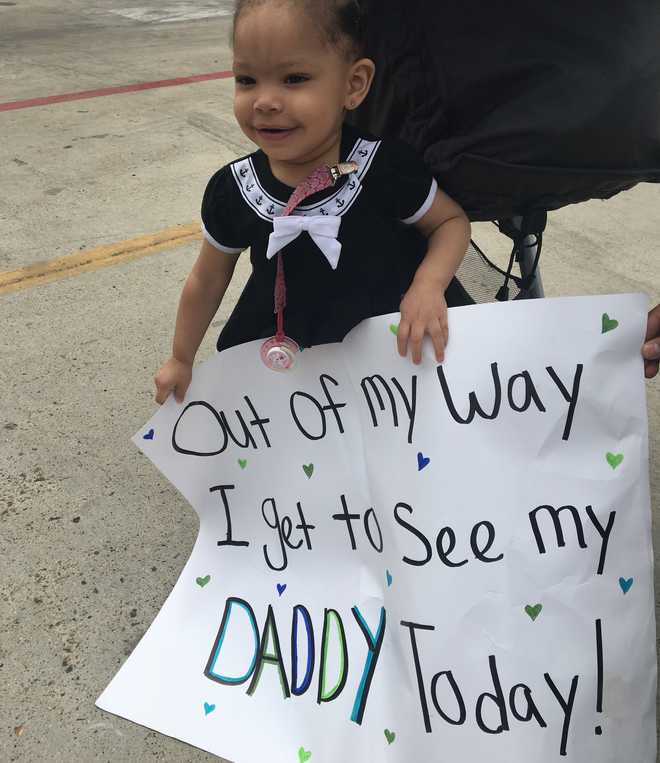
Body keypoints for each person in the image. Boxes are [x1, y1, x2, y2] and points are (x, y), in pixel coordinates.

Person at [154, 0, 471, 404]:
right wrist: (181, 357)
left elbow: (450, 223)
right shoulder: (234, 190)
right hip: (292, 373)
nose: (264, 101)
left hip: (392, 359)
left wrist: (429, 286)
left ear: (353, 85)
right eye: (247, 80)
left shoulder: (384, 168)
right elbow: (207, 280)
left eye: (294, 78)